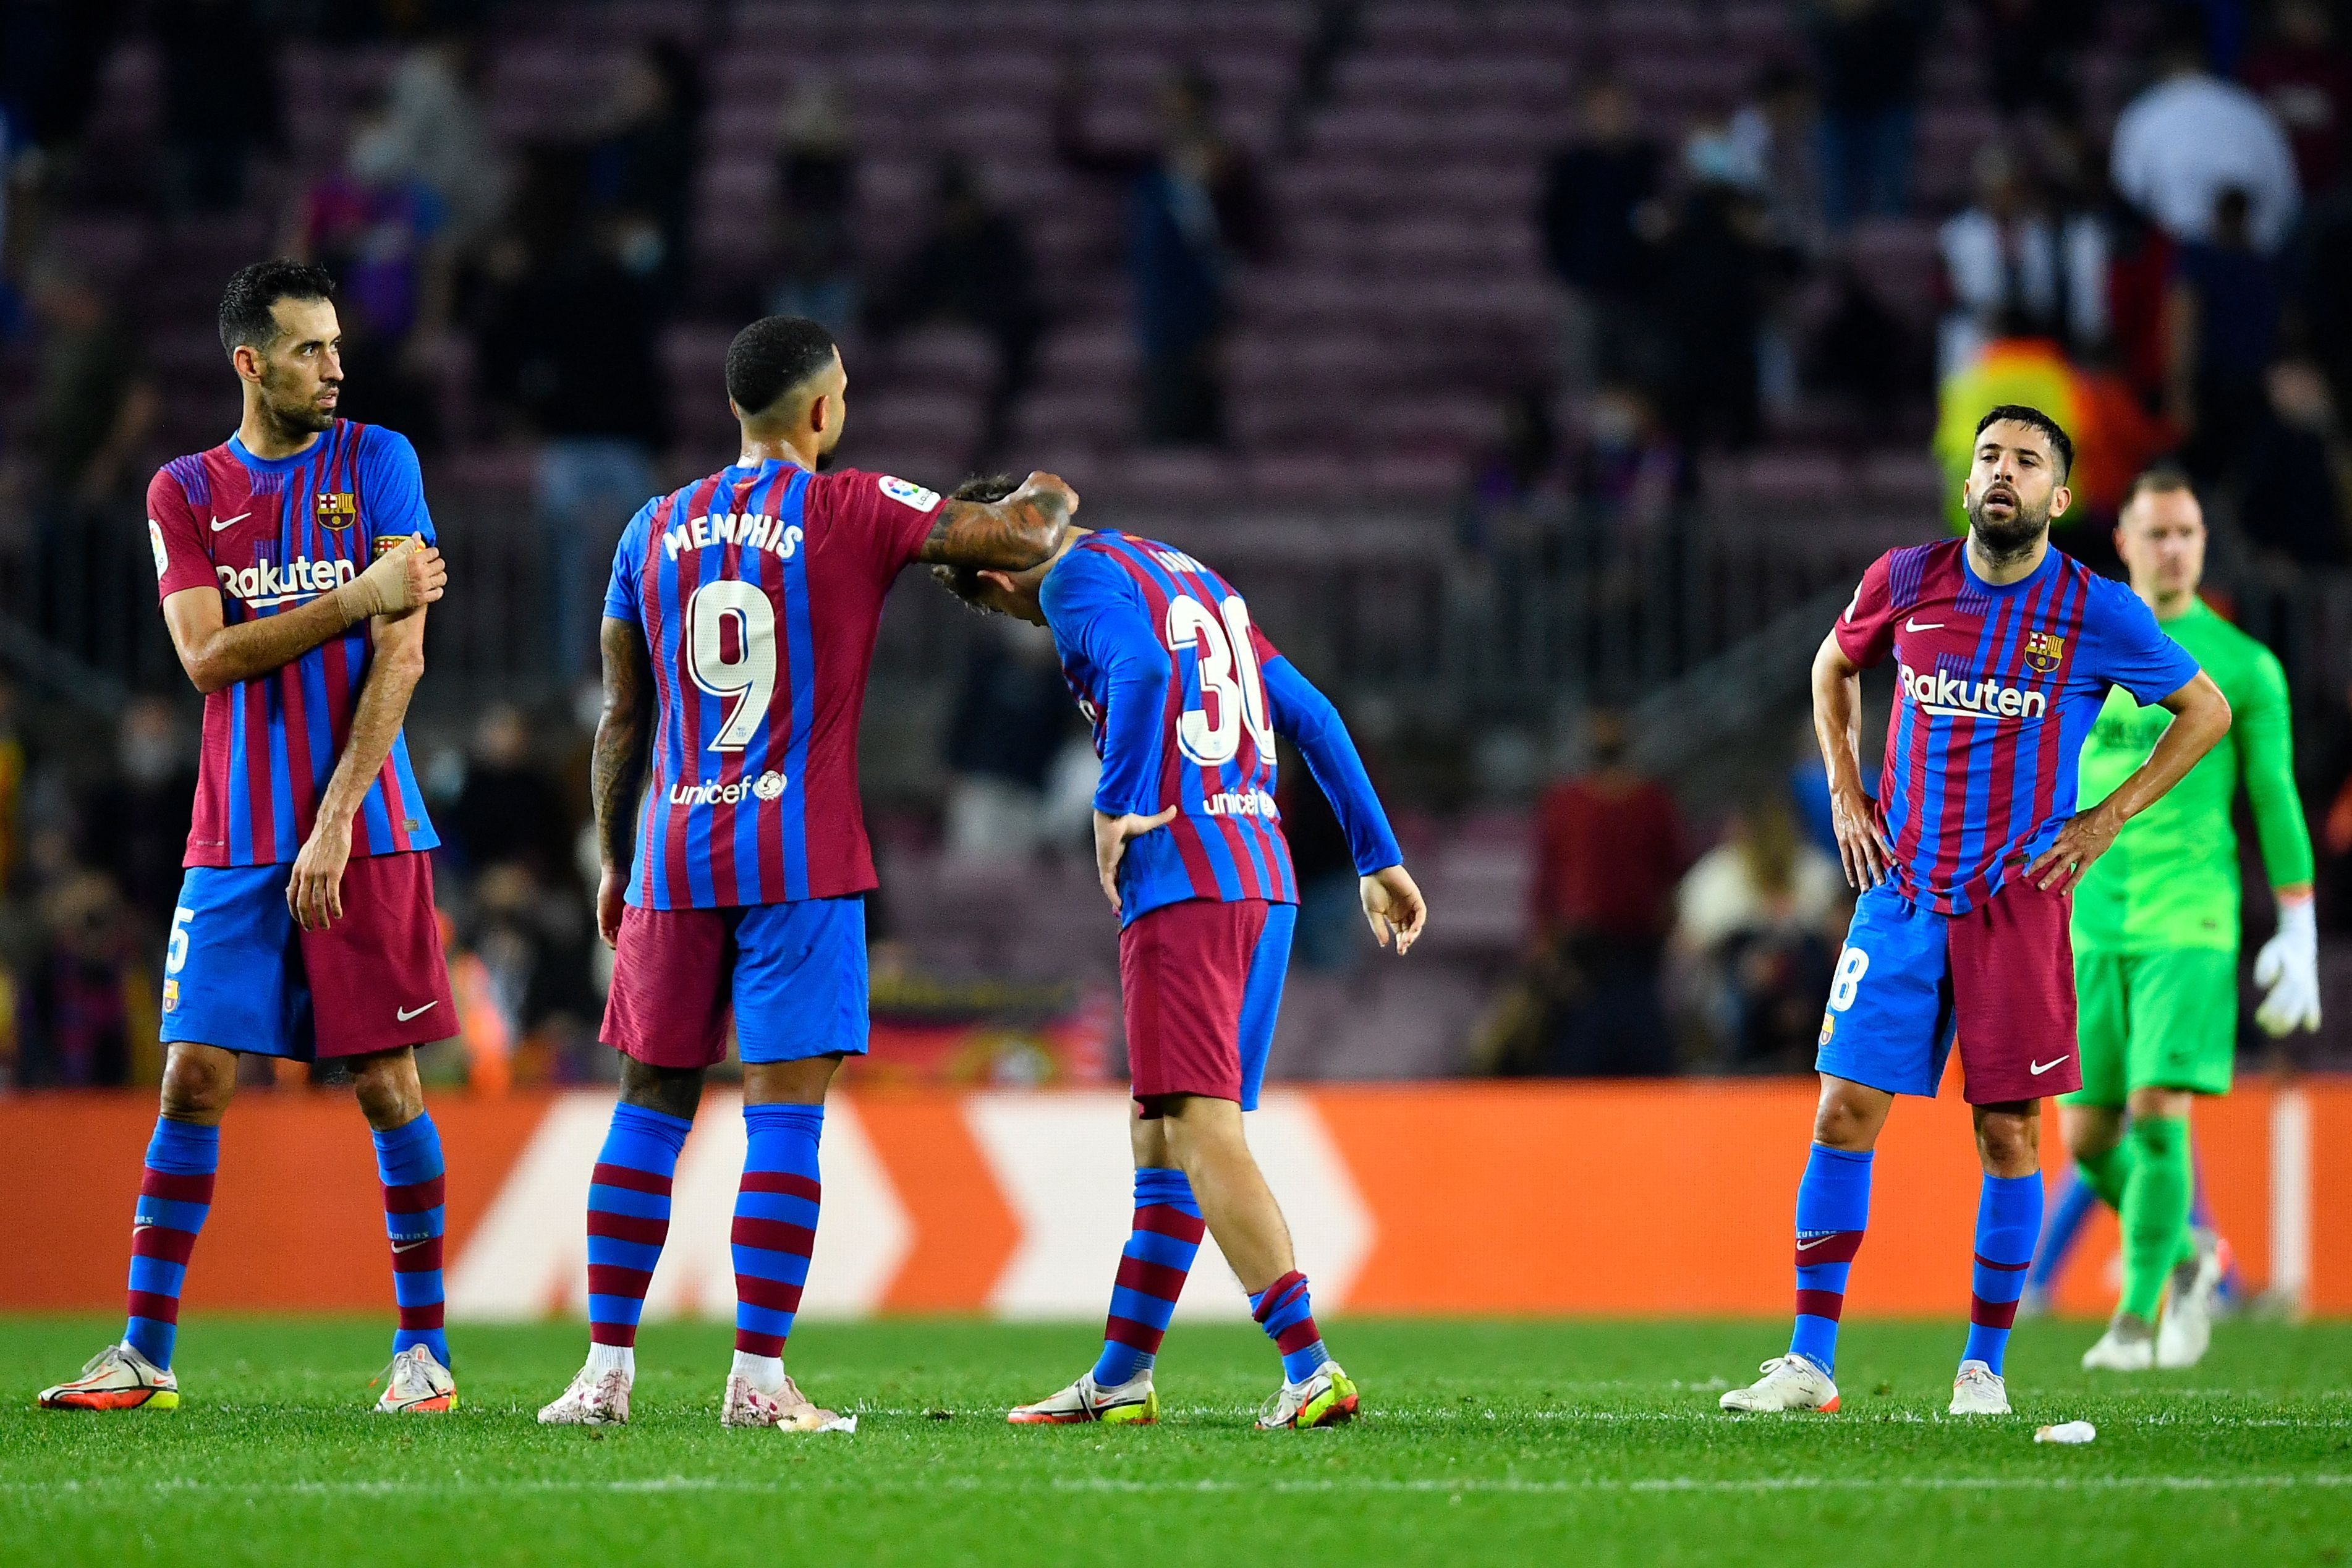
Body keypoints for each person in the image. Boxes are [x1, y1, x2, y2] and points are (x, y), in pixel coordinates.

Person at [533, 316, 1074, 1431]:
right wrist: (1053, 489)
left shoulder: (650, 526)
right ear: (822, 410)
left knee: (649, 1106)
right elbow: (1021, 536)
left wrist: (617, 854)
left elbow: (622, 717)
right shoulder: (851, 505)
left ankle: (602, 1375)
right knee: (783, 1118)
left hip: (673, 853)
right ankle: (758, 1381)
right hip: (799, 858)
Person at [1719, 404, 2231, 1418]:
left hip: (2016, 907)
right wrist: (1845, 790)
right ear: (1966, 485)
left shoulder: (2095, 609)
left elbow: (2205, 711)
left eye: (2027, 461)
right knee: (1841, 1110)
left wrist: (2105, 818)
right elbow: (1831, 666)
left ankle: (1982, 1369)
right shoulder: (1906, 579)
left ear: (2059, 496)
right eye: (1990, 455)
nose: (2004, 471)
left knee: (2007, 1135)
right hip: (1902, 896)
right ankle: (1809, 1360)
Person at [36, 260, 457, 1415]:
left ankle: (424, 1353)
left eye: (336, 345)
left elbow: (405, 655)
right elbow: (206, 657)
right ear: (250, 363)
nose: (335, 366)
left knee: (385, 1083)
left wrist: (336, 819)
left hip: (366, 829)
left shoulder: (379, 460)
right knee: (192, 1076)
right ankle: (144, 1351)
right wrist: (354, 596)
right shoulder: (183, 489)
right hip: (232, 834)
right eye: (310, 349)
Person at [928, 479, 1426, 1430]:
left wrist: (1113, 804)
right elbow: (1312, 713)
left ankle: (1309, 1366)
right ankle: (1121, 1375)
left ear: (995, 577)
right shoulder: (1184, 573)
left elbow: (1142, 671)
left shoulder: (1070, 581)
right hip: (1263, 879)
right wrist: (1378, 855)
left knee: (1201, 1131)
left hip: (1184, 880)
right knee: (1161, 1132)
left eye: (1002, 610)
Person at [2068, 468, 2317, 1372]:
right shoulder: (2079, 648)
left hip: (2190, 917)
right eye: (2157, 532)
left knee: (2155, 1110)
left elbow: (2274, 796)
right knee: (2086, 1142)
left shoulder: (2243, 665)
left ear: (2203, 542)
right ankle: (2189, 1253)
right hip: (2087, 918)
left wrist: (2298, 927)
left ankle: (2134, 1322)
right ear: (2123, 543)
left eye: (2188, 532)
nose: (2174, 548)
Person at [2111, 27, 2301, 253]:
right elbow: (2286, 192)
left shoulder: (2145, 111)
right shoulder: (2250, 107)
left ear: (2161, 65)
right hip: (2241, 253)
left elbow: (2128, 191)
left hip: (2194, 253)